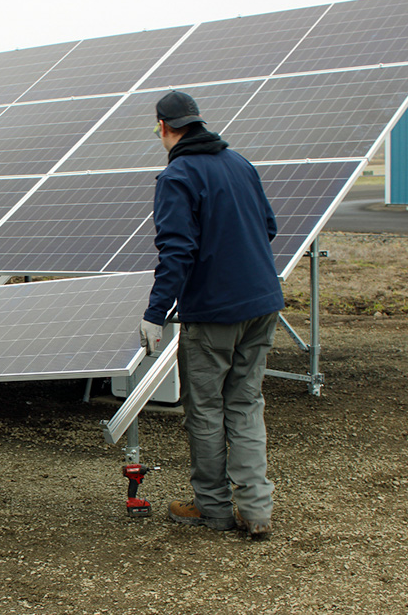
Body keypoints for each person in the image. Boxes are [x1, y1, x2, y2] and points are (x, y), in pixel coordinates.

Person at [139, 91, 283, 538]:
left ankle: (214, 509)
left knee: (205, 410)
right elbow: (270, 227)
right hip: (262, 303)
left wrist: (155, 312)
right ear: (198, 121)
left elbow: (178, 252)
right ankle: (257, 511)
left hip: (215, 314)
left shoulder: (177, 175)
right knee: (245, 403)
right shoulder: (240, 163)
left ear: (162, 126)